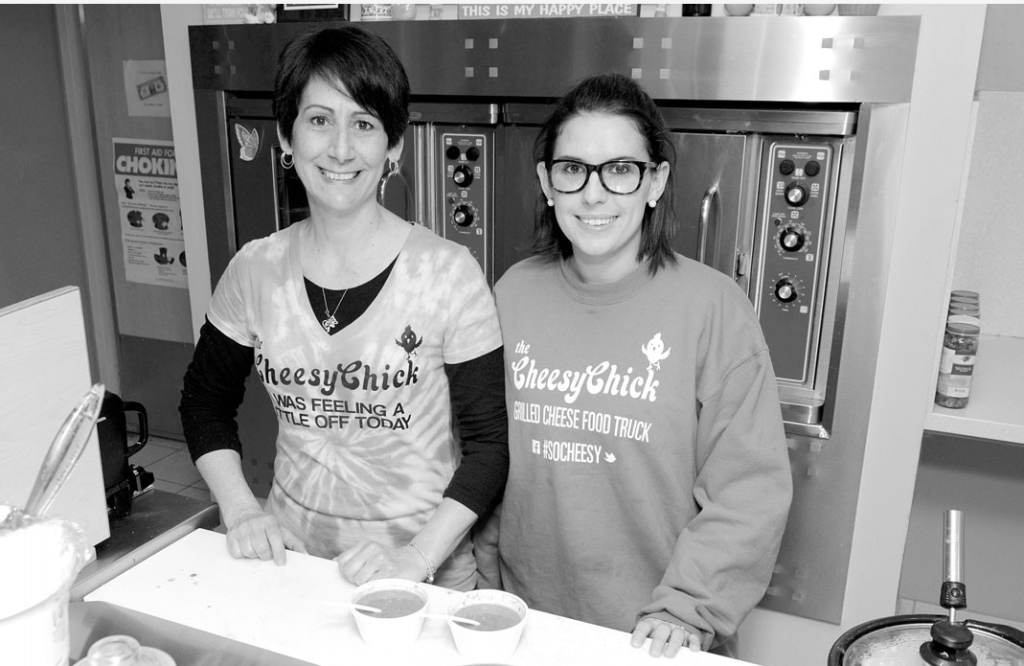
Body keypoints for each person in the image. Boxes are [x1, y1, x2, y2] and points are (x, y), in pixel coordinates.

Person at [179, 26, 508, 592]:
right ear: (286, 137)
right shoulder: (255, 269)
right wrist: (240, 510)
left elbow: (487, 449)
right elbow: (203, 404)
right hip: (294, 569)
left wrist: (415, 561)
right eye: (318, 119)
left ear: (394, 147)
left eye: (364, 123)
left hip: (423, 580)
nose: (340, 148)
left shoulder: (450, 274)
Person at [491, 73, 793, 657]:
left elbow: (749, 491)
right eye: (572, 168)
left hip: (657, 637)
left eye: (620, 169)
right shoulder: (512, 294)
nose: (594, 194)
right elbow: (485, 455)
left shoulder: (712, 307)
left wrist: (687, 607)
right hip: (528, 623)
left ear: (655, 181)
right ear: (546, 182)